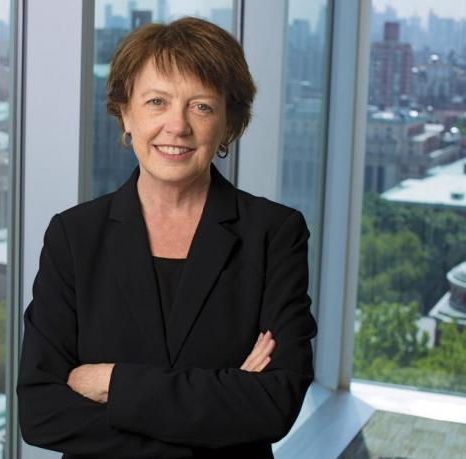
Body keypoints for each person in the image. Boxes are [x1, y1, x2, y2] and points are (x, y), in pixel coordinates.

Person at [17, 16, 317, 458]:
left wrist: (111, 382)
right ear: (125, 113)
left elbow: (274, 405)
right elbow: (41, 412)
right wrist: (218, 411)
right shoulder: (74, 236)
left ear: (227, 124)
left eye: (201, 106)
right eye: (157, 101)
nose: (177, 126)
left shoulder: (274, 234)